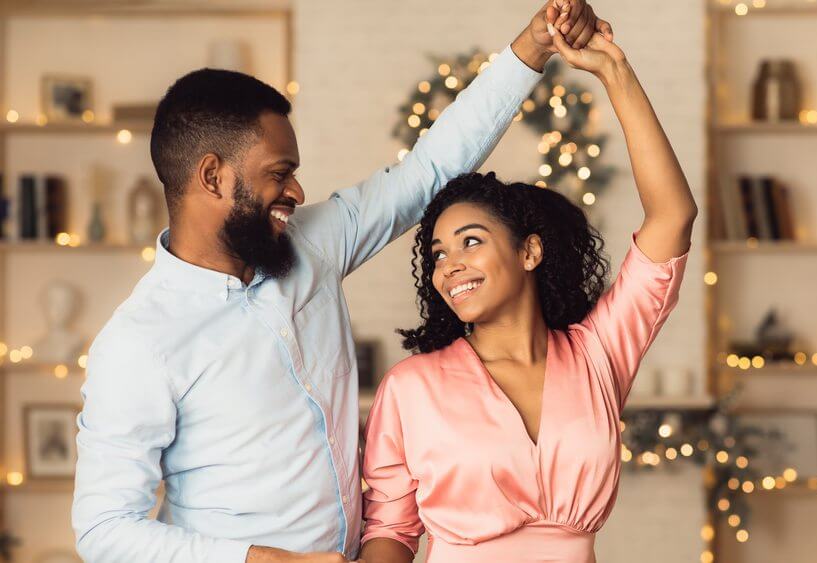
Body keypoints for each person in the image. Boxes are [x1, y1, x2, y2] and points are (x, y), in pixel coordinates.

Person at [71, 3, 610, 562]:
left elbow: (427, 172)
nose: (298, 193)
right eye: (279, 174)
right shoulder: (139, 342)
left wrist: (531, 49)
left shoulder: (313, 244)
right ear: (213, 176)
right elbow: (105, 529)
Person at [360, 28, 698, 563]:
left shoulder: (598, 355)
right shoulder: (411, 387)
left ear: (529, 252)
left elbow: (673, 217)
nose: (450, 267)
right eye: (438, 254)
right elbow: (389, 530)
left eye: (471, 241)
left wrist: (615, 72)